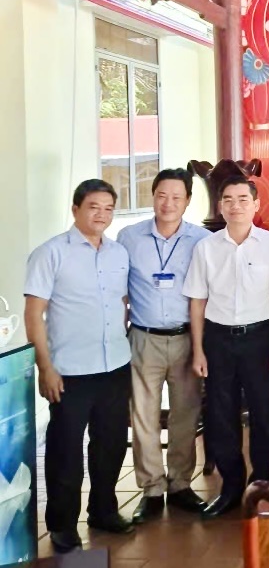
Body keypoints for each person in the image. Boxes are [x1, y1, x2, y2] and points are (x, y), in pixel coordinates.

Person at [24, 180, 134, 553]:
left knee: (111, 444)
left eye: (108, 208)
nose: (101, 214)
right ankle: (61, 524)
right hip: (69, 370)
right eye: (93, 206)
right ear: (75, 209)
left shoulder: (119, 253)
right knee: (65, 451)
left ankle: (103, 511)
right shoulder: (50, 253)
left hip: (115, 365)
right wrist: (45, 367)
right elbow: (34, 314)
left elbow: (122, 302)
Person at [184, 176, 269, 519]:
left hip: (260, 338)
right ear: (220, 206)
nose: (235, 205)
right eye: (228, 199)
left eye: (243, 199)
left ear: (256, 205)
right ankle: (230, 486)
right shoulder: (206, 248)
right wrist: (198, 349)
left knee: (263, 412)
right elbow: (197, 301)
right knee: (220, 414)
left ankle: (262, 481)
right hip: (218, 339)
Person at [117, 168, 210, 524]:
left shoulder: (202, 240)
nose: (168, 203)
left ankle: (181, 484)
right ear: (152, 196)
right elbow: (119, 290)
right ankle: (152, 489)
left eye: (176, 197)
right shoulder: (129, 238)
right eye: (161, 195)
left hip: (188, 338)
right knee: (143, 416)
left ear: (187, 201)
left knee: (186, 413)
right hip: (144, 338)